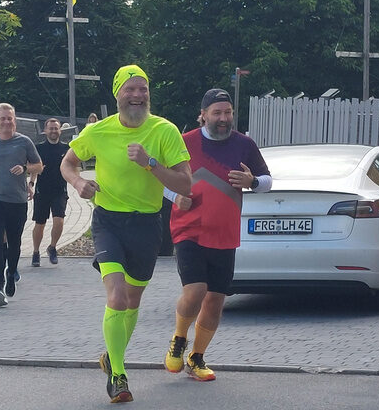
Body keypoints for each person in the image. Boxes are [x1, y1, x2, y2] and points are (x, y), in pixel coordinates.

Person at [60, 65, 192, 403]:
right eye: (129, 90)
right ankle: (118, 375)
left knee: (132, 301)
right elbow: (67, 163)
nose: (137, 96)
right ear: (117, 94)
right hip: (109, 222)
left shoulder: (164, 131)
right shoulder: (98, 131)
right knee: (117, 297)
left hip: (147, 224)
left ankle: (111, 356)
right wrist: (79, 182)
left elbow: (185, 184)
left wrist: (150, 163)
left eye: (142, 89)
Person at [163, 88, 271, 381]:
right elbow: (160, 179)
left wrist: (252, 181)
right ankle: (179, 338)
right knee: (196, 290)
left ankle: (196, 358)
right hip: (188, 228)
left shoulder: (244, 145)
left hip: (225, 231)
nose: (223, 118)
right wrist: (175, 196)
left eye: (228, 112)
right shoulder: (184, 142)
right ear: (203, 115)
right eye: (217, 113)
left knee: (215, 300)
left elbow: (267, 181)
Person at [0, 103, 43, 307]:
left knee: (14, 243)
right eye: (3, 118)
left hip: (17, 200)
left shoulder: (24, 142)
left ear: (15, 120)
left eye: (10, 118)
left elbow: (39, 166)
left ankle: (11, 272)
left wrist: (24, 168)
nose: (6, 122)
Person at [29, 118, 70, 267]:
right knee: (40, 224)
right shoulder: (38, 148)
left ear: (60, 130)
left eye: (56, 128)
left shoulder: (66, 148)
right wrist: (31, 183)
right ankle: (35, 252)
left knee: (59, 221)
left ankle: (52, 247)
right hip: (42, 191)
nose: (53, 131)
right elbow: (33, 168)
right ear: (45, 131)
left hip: (59, 190)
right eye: (50, 128)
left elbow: (73, 167)